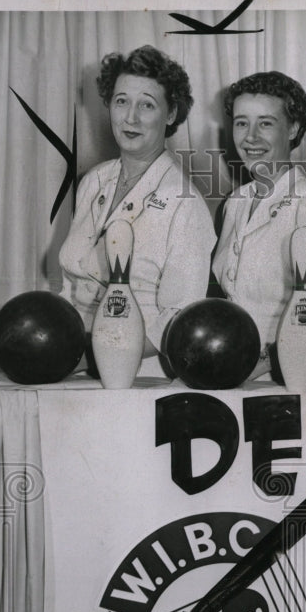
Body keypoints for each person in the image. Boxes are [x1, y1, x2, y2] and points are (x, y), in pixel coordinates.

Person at [59, 45, 214, 375]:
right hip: (70, 362)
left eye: (147, 104)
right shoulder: (93, 181)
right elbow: (69, 286)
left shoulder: (185, 203)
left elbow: (177, 316)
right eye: (121, 101)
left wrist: (95, 355)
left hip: (137, 374)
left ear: (171, 114)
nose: (131, 117)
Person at [211, 71, 306, 380]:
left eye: (266, 123)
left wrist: (257, 366)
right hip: (234, 369)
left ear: (293, 129)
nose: (250, 137)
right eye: (242, 122)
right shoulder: (235, 202)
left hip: (288, 376)